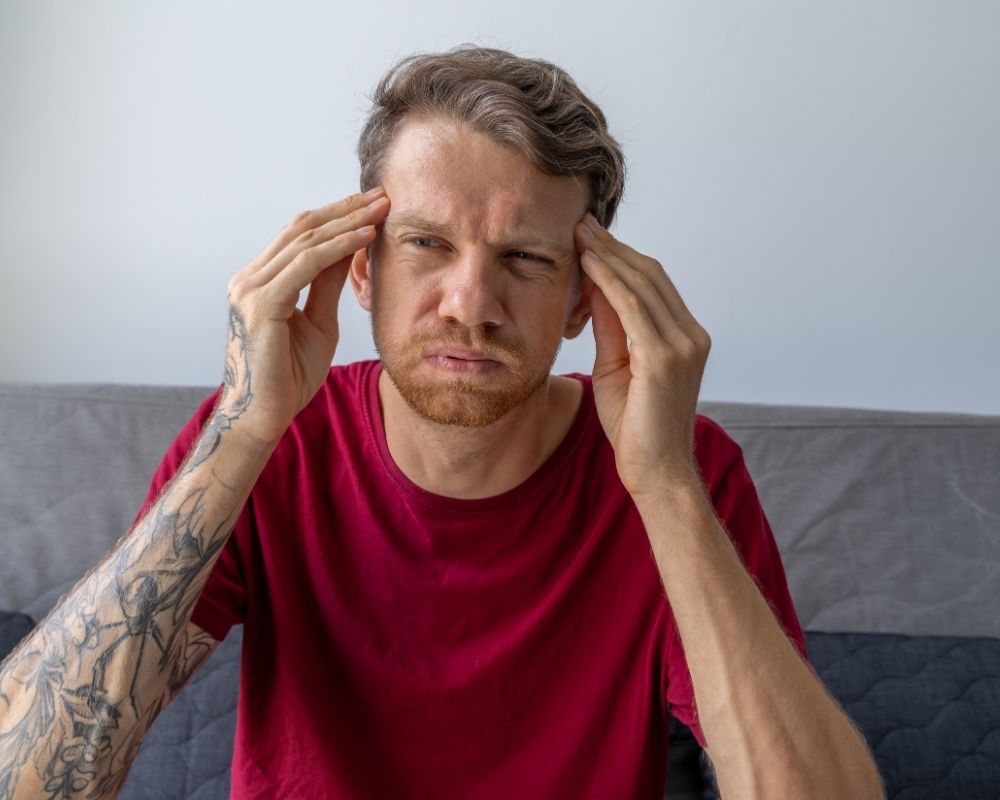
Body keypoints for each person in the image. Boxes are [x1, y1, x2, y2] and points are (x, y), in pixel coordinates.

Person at [0, 46, 883, 799]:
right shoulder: (272, 443)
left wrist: (663, 483)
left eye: (526, 258)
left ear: (585, 300)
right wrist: (243, 424)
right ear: (358, 270)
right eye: (425, 244)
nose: (471, 305)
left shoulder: (678, 467)